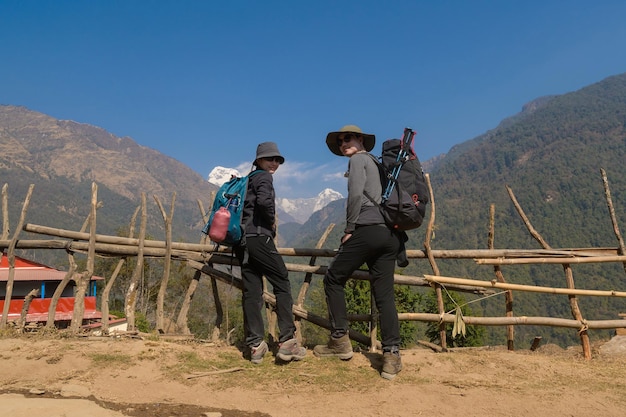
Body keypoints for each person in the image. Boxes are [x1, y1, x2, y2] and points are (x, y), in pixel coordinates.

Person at [313, 125, 403, 380]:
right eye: (340, 141)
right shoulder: (376, 162)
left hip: (366, 229)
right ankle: (391, 356)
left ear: (360, 139)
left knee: (333, 278)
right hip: (389, 235)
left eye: (347, 138)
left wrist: (350, 228)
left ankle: (340, 341)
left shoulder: (357, 160)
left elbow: (354, 196)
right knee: (384, 295)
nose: (343, 144)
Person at [234, 141, 306, 364]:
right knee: (282, 282)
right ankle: (287, 341)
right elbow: (265, 203)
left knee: (252, 292)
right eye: (270, 159)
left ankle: (255, 345)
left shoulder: (248, 179)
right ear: (259, 161)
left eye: (277, 160)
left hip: (242, 243)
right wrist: (271, 226)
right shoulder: (264, 177)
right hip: (259, 239)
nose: (274, 163)